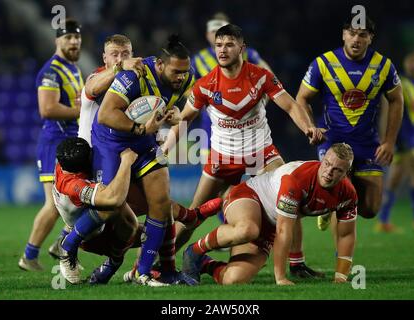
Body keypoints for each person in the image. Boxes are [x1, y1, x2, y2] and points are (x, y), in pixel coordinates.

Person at [162, 24, 326, 278]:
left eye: (229, 44)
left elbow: (292, 106)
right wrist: (165, 150)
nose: (223, 50)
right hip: (222, 159)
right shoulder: (205, 85)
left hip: (261, 154)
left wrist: (308, 128)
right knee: (193, 214)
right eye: (219, 45)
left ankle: (297, 264)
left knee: (288, 195)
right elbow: (184, 121)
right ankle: (164, 263)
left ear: (242, 48)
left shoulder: (261, 76)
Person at [92, 34, 199, 286]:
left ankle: (144, 271)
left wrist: (176, 116)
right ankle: (97, 255)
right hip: (112, 143)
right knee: (112, 212)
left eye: (185, 71)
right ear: (160, 65)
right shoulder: (134, 76)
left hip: (145, 142)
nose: (181, 77)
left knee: (160, 203)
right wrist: (140, 129)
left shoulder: (186, 79)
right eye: (176, 71)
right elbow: (105, 115)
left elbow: (187, 113)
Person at [182, 143, 357, 285]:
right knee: (247, 229)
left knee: (233, 279)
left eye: (337, 170)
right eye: (327, 164)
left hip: (271, 223)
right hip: (249, 197)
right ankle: (195, 250)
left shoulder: (348, 195)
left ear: (346, 174)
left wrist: (341, 277)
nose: (329, 172)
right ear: (322, 159)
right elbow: (284, 231)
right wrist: (280, 278)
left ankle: (205, 263)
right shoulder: (296, 179)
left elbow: (346, 235)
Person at [295, 16, 403, 232]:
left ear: (370, 38)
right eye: (352, 33)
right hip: (333, 140)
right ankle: (342, 262)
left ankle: (327, 204)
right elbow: (301, 98)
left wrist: (389, 141)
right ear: (344, 34)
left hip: (366, 142)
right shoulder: (323, 63)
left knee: (370, 209)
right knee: (343, 197)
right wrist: (310, 127)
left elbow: (397, 100)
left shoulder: (383, 66)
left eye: (362, 35)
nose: (356, 39)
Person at [191, 12, 273, 226]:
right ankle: (229, 222)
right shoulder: (198, 59)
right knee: (216, 187)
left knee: (260, 183)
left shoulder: (250, 55)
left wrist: (262, 100)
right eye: (212, 31)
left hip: (248, 133)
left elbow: (269, 75)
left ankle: (241, 221)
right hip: (211, 131)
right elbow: (187, 90)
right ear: (209, 34)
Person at [19, 18, 84, 271]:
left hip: (69, 140)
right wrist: (81, 109)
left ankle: (58, 244)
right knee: (55, 205)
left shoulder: (73, 68)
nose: (74, 41)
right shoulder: (51, 71)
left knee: (73, 200)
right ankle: (30, 255)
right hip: (54, 142)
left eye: (76, 37)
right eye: (68, 37)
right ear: (57, 40)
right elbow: (47, 109)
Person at [53, 137, 139, 284]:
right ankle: (69, 244)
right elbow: (113, 199)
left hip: (86, 218)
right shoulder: (74, 185)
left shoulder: (66, 162)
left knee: (150, 231)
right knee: (117, 211)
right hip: (91, 235)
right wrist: (126, 162)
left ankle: (133, 271)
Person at [377, 50, 414, 233]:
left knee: (394, 179)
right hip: (400, 137)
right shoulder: (399, 83)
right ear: (405, 63)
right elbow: (387, 109)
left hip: (412, 137)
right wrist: (386, 137)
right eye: (411, 60)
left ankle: (383, 221)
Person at [78, 34, 146, 146]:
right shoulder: (97, 76)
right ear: (105, 58)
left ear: (132, 56)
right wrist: (120, 67)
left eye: (125, 54)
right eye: (115, 55)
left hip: (115, 151)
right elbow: (92, 88)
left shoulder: (135, 80)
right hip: (89, 152)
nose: (120, 59)